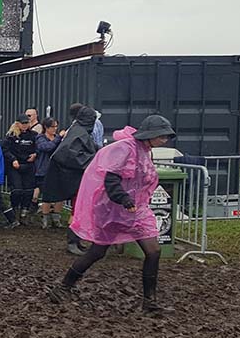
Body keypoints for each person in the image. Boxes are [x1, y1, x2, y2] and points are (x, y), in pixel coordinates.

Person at [51, 116, 178, 314]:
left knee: (153, 251)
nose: (164, 140)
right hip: (111, 209)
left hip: (136, 210)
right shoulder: (124, 149)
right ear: (151, 135)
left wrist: (133, 201)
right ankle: (63, 287)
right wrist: (123, 199)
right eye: (161, 136)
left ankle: (150, 301)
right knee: (97, 252)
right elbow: (111, 179)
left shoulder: (146, 151)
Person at [42, 104, 99, 255]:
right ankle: (72, 242)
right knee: (77, 210)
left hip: (77, 178)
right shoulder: (79, 132)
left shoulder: (77, 131)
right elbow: (69, 154)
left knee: (79, 210)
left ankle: (76, 240)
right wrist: (94, 158)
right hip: (74, 179)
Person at [3, 114, 37, 221]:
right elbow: (5, 149)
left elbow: (39, 147)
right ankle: (14, 208)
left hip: (28, 165)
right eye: (23, 123)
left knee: (28, 190)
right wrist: (13, 159)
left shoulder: (34, 135)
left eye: (27, 123)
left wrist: (35, 154)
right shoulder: (11, 136)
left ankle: (24, 212)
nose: (25, 125)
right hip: (15, 165)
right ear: (17, 124)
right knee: (17, 189)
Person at [35, 117, 64, 229]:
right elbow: (46, 147)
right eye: (52, 127)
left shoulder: (57, 138)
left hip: (57, 169)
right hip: (44, 170)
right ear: (46, 127)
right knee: (46, 195)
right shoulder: (40, 138)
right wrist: (59, 139)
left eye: (56, 126)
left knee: (59, 195)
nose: (55, 129)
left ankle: (56, 218)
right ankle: (45, 218)